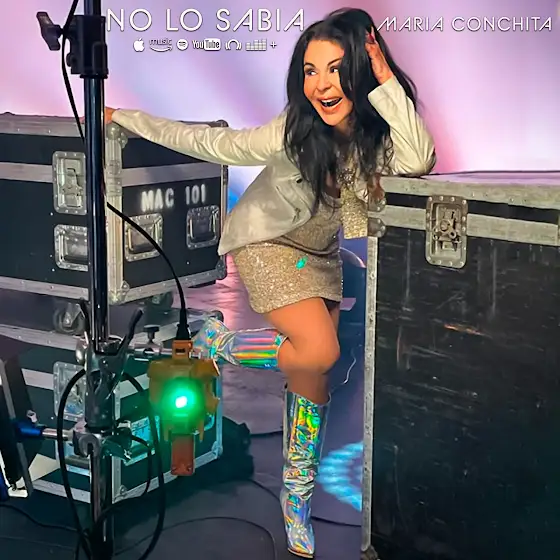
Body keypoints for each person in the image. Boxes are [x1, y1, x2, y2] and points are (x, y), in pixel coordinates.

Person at [105, 8, 435, 557]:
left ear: (361, 70)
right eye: (310, 71)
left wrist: (384, 78)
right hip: (267, 244)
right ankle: (218, 343)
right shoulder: (293, 130)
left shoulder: (375, 139)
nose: (321, 85)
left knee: (312, 375)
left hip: (319, 257)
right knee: (321, 350)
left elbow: (420, 159)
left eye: (335, 70)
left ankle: (295, 501)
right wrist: (128, 116)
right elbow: (216, 144)